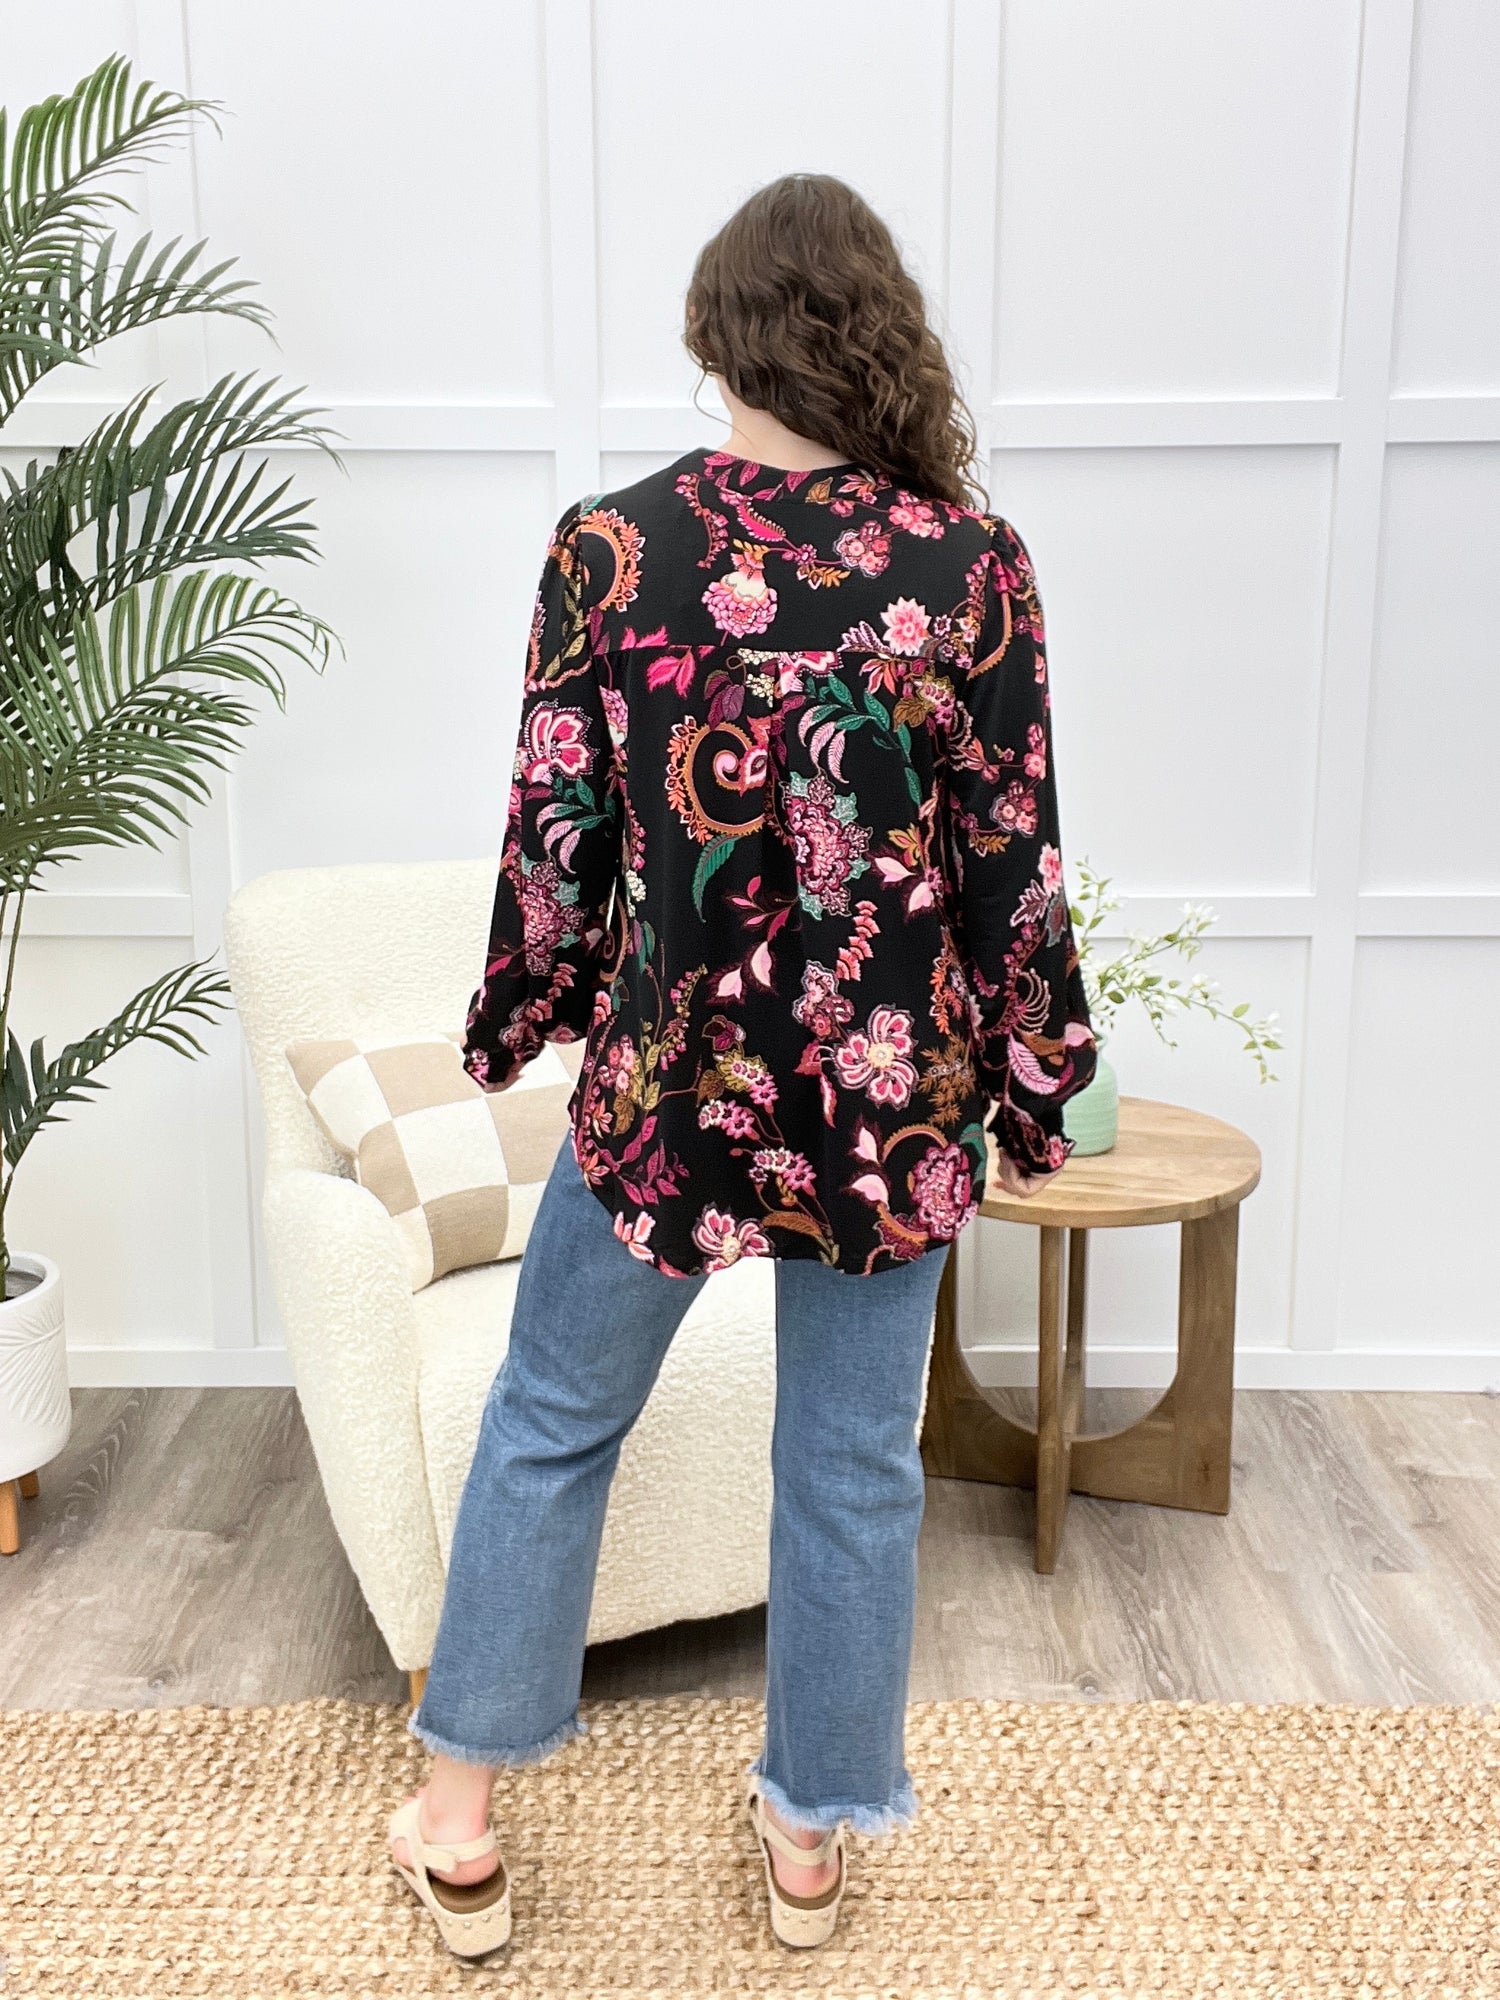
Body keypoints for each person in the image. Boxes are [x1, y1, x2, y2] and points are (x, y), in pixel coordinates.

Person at [386, 171, 1098, 1959]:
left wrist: (526, 1009)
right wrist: (1034, 1078)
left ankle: (457, 1826)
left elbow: (557, 828)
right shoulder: (970, 566)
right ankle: (809, 1834)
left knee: (550, 1423)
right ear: (877, 335)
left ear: (715, 336)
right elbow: (1011, 857)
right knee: (853, 1468)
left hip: (668, 1088)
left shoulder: (611, 550)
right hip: (887, 1103)